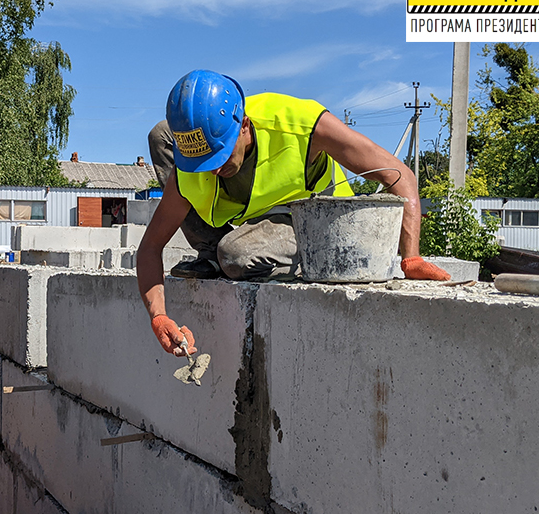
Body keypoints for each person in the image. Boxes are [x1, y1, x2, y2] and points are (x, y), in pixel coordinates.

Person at [137, 69, 450, 356]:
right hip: (260, 216)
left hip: (322, 221)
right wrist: (159, 316)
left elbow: (399, 175)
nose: (213, 169)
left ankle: (236, 257)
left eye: (220, 156)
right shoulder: (194, 163)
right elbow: (151, 247)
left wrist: (411, 258)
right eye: (204, 162)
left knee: (235, 255)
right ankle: (212, 253)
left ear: (244, 125)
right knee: (160, 136)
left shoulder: (304, 125)